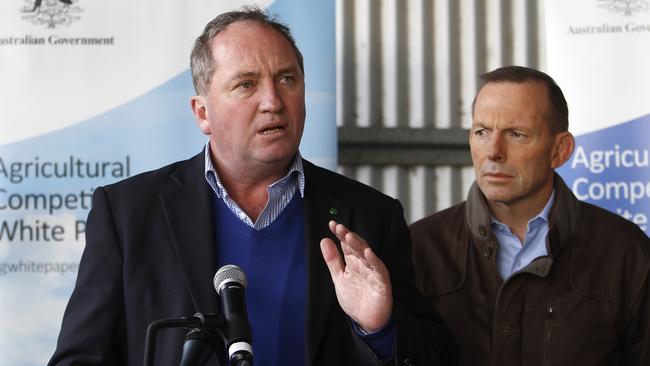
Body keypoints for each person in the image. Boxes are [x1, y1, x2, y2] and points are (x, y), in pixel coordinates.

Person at [48, 7, 456, 366]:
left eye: (287, 79)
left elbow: (434, 355)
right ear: (203, 112)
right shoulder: (128, 214)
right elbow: (80, 357)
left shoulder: (370, 215)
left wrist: (380, 328)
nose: (273, 101)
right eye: (246, 84)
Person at [410, 65, 650, 365]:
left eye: (516, 134)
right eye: (482, 131)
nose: (494, 151)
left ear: (560, 150)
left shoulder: (625, 251)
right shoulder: (419, 247)